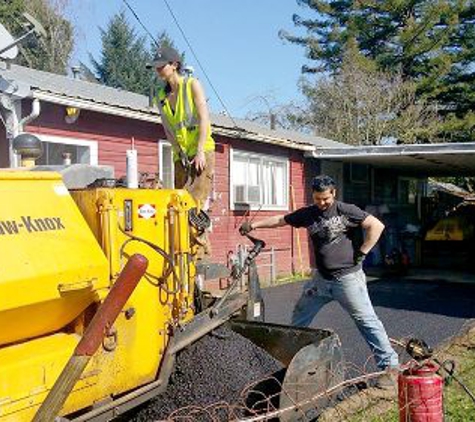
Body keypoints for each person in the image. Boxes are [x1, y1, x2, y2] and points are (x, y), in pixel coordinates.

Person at [239, 175, 399, 388]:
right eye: (317, 198)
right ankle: (288, 362)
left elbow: (375, 225)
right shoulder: (308, 214)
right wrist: (254, 225)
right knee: (299, 316)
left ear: (333, 193)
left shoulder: (346, 210)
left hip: (347, 279)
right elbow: (281, 220)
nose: (322, 203)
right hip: (321, 280)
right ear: (312, 195)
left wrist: (363, 251)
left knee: (367, 321)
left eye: (325, 198)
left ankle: (390, 368)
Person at [148, 45, 215, 210]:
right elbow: (168, 129)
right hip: (181, 155)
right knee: (179, 206)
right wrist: (178, 152)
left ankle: (198, 235)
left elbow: (204, 119)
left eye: (161, 66)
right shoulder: (161, 97)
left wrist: (200, 151)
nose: (158, 70)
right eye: (156, 67)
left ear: (174, 65)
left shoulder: (192, 85)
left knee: (194, 209)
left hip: (201, 151)